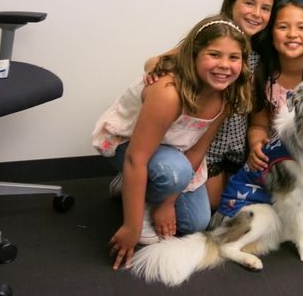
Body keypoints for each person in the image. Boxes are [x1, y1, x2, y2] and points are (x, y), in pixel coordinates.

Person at [92, 16, 252, 270]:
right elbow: (137, 158)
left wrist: (167, 203)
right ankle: (139, 200)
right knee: (173, 172)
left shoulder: (227, 95)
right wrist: (131, 227)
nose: (224, 65)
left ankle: (136, 189)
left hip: (175, 154)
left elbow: (198, 151)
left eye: (234, 58)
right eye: (214, 55)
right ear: (195, 55)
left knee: (196, 222)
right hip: (130, 148)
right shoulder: (168, 92)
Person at [140, 0, 276, 210]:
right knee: (209, 210)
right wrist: (156, 71)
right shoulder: (214, 36)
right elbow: (155, 61)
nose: (256, 13)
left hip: (235, 145)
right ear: (232, 2)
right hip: (203, 146)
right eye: (249, 3)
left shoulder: (259, 53)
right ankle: (142, 185)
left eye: (265, 8)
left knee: (229, 208)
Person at [245, 0, 303, 171]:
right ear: (271, 35)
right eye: (283, 27)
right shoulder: (262, 77)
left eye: (302, 27)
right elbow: (259, 125)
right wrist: (256, 144)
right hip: (278, 164)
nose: (292, 34)